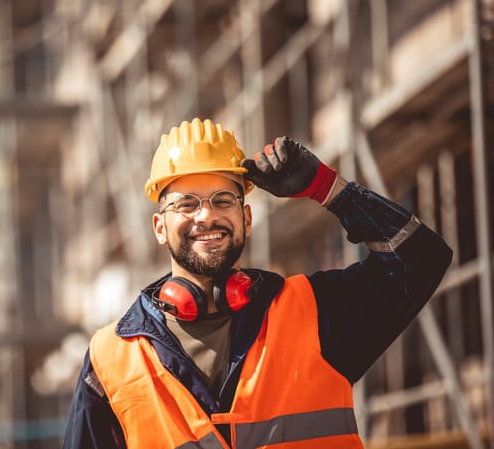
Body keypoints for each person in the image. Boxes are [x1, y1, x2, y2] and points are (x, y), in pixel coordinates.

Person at [63, 117, 452, 448]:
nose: (206, 216)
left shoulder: (313, 315)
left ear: (246, 219)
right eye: (186, 204)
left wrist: (325, 186)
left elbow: (421, 259)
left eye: (222, 200)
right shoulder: (110, 361)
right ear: (159, 227)